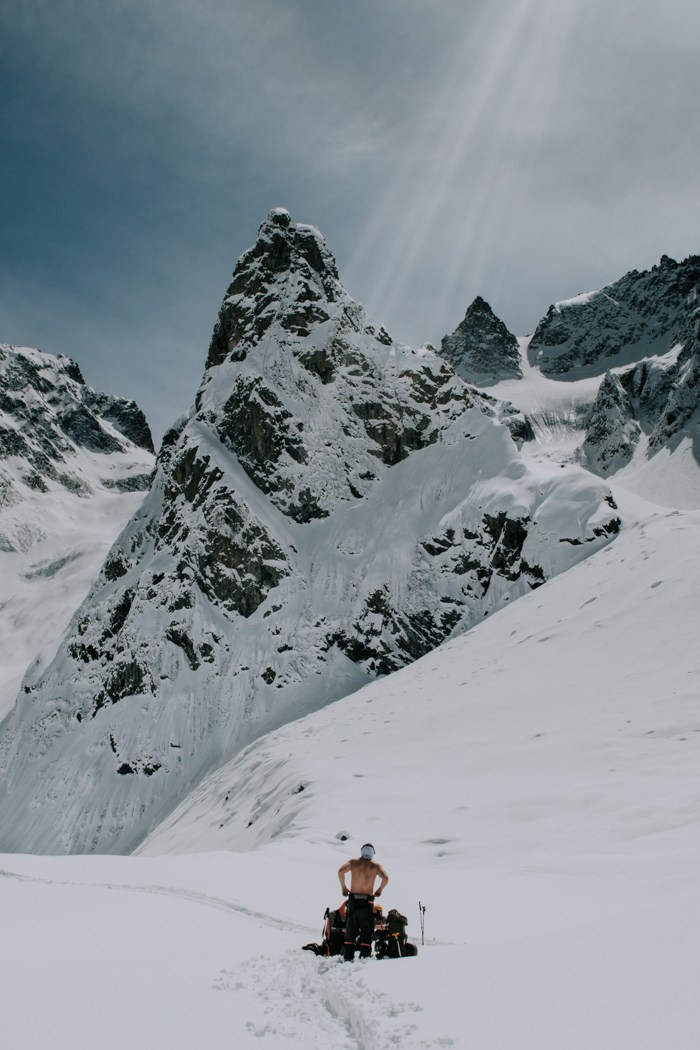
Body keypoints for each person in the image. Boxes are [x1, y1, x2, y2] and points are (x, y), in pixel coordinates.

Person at [337, 843, 389, 960]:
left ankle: (348, 957)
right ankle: (364, 957)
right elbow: (385, 878)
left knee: (351, 929)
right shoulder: (375, 866)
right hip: (367, 902)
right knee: (366, 930)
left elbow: (340, 871)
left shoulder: (353, 862)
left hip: (354, 900)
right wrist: (380, 889)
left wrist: (344, 887)